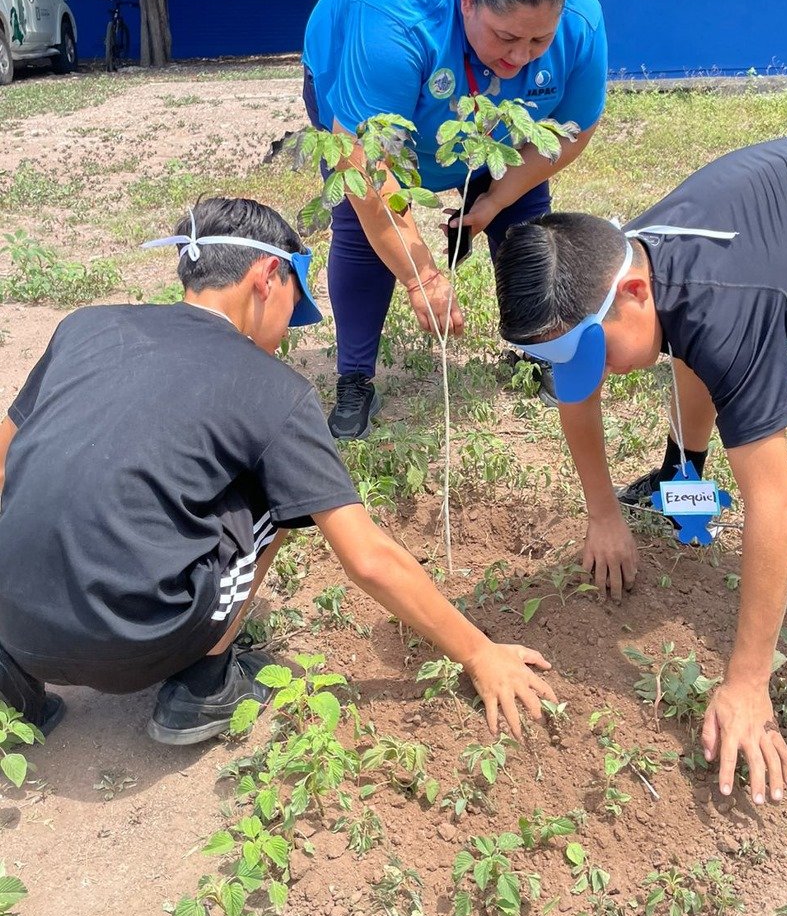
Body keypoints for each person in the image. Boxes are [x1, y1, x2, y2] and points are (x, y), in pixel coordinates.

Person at [493, 130, 787, 916]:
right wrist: (603, 512)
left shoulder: (718, 295)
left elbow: (774, 504)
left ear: (631, 290)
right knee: (690, 346)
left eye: (584, 352)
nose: (581, 375)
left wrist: (746, 685)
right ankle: (683, 480)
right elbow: (610, 366)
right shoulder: (621, 272)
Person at [0, 198, 555, 746]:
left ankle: (18, 693)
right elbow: (366, 558)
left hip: (12, 622)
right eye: (296, 303)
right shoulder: (272, 389)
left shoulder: (86, 327)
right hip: (134, 642)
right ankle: (202, 687)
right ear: (268, 276)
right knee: (283, 495)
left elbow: (6, 456)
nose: (289, 333)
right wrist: (479, 652)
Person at [301, 0, 608, 439]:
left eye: (539, 40)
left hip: (494, 124)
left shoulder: (581, 21)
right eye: (507, 37)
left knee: (526, 220)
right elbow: (369, 171)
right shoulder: (395, 14)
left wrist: (494, 198)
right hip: (362, 80)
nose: (519, 57)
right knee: (360, 221)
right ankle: (355, 379)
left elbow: (571, 131)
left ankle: (532, 347)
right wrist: (421, 278)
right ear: (466, 0)